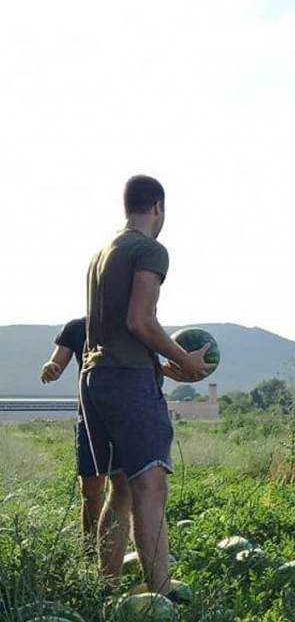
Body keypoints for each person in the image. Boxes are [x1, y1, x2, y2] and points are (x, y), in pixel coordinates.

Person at [80, 175, 210, 598]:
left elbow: (117, 329)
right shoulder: (150, 249)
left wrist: (158, 362)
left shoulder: (103, 252)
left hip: (95, 376)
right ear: (158, 207)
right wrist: (182, 358)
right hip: (127, 381)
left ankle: (107, 588)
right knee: (150, 487)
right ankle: (163, 595)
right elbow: (140, 320)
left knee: (120, 487)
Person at [40, 316, 105, 541]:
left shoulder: (133, 321)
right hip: (89, 416)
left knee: (127, 490)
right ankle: (89, 548)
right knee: (91, 491)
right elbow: (57, 362)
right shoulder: (77, 328)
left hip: (126, 415)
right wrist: (51, 368)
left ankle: (122, 548)